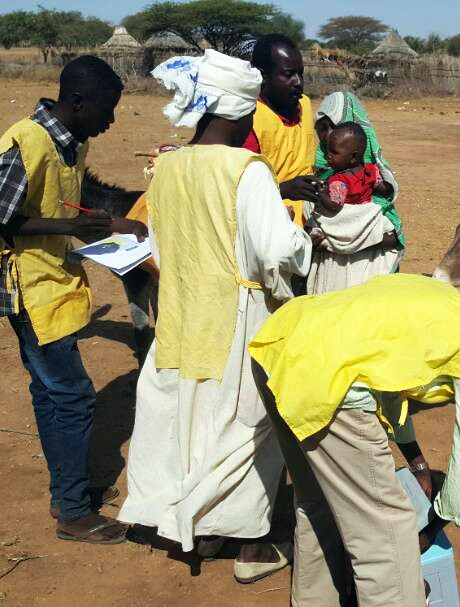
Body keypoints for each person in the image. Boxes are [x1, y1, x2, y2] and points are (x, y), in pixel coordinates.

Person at [117, 49, 313, 584]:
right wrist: (302, 245)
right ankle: (248, 544)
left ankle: (181, 517)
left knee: (185, 412)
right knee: (249, 425)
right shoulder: (246, 171)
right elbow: (276, 251)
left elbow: (157, 244)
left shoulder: (168, 166)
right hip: (238, 314)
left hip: (182, 313)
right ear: (241, 111)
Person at [249, 274, 460, 607]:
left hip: (279, 345)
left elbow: (389, 379)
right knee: (388, 534)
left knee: (318, 501)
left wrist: (419, 464)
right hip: (326, 383)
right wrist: (427, 533)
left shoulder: (443, 300)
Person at [0, 56, 143, 544]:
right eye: (107, 110)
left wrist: (112, 224)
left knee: (50, 392)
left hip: (53, 283)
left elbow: (62, 202)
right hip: (28, 288)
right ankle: (72, 511)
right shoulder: (27, 143)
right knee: (72, 396)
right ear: (78, 102)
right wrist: (70, 228)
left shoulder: (71, 141)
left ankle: (66, 488)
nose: (111, 121)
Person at [310, 91, 405, 293]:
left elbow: (394, 237)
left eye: (333, 127)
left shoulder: (375, 187)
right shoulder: (317, 180)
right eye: (322, 129)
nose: (327, 136)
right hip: (331, 277)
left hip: (366, 279)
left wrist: (346, 243)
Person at [246, 34, 321, 225]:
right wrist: (284, 189)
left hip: (312, 221)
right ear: (263, 77)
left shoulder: (304, 104)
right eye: (288, 74)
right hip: (271, 224)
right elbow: (238, 190)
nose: (298, 81)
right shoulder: (249, 118)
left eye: (300, 73)